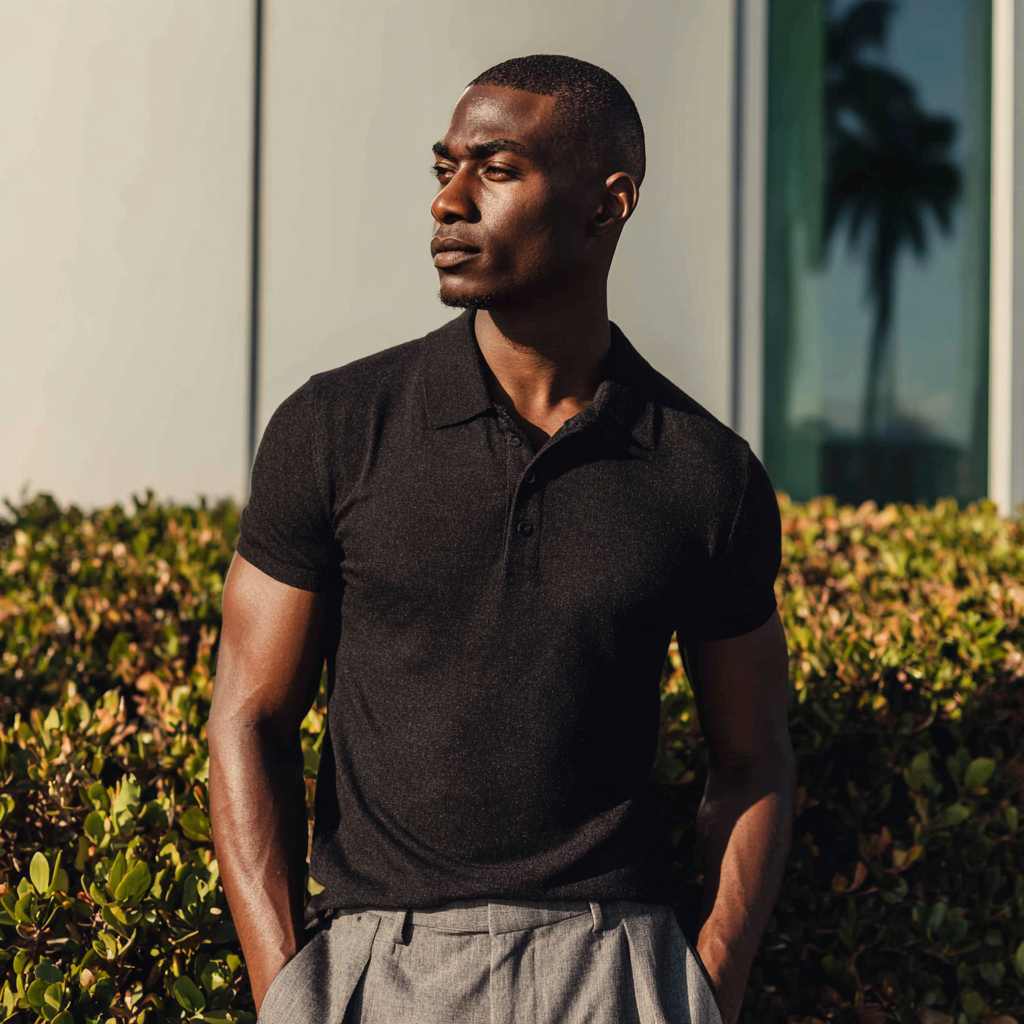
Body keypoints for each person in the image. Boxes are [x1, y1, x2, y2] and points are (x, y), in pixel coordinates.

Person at [208, 54, 795, 1024]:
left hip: (613, 969)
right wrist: (288, 995)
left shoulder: (704, 472)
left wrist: (706, 988)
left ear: (607, 204)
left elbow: (754, 754)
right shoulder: (335, 427)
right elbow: (247, 718)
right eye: (445, 168)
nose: (448, 201)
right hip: (381, 970)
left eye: (497, 168)